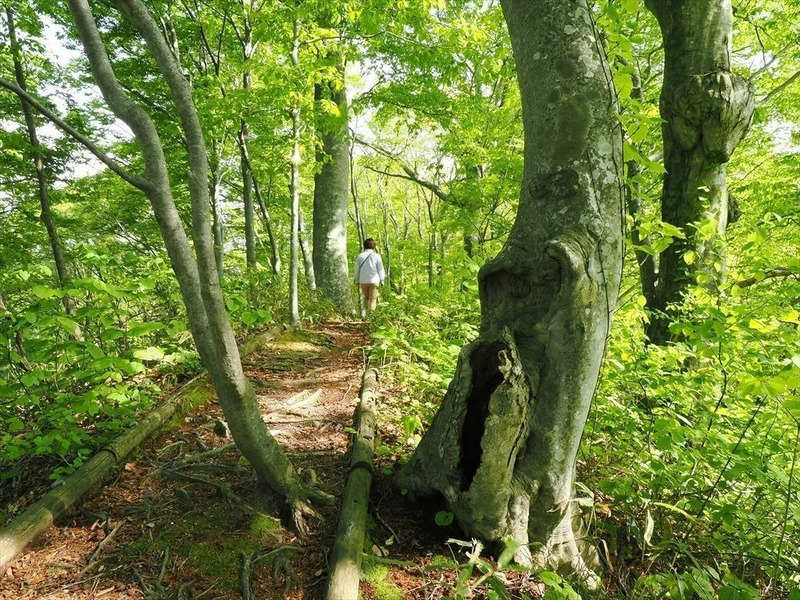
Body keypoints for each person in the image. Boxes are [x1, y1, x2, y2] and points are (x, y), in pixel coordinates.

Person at [354, 238, 385, 317]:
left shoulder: (360, 256)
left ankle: (364, 315)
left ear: (364, 246)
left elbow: (357, 270)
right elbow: (380, 269)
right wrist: (382, 280)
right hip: (374, 281)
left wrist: (356, 280)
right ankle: (370, 317)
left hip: (363, 280)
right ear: (374, 246)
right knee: (373, 299)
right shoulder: (376, 256)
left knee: (366, 298)